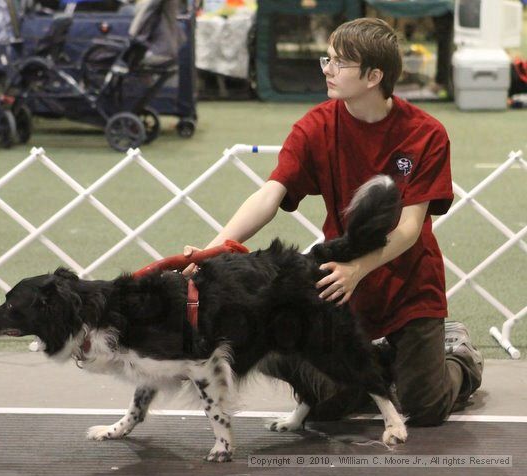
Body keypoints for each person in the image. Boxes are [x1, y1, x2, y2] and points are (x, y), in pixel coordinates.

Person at [185, 17, 483, 426]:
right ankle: (376, 366)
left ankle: (458, 356)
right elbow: (270, 194)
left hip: (407, 280)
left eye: (340, 63)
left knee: (425, 407)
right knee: (327, 405)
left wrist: (357, 269)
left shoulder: (426, 134)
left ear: (374, 75)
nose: (327, 69)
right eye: (328, 59)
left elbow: (410, 228)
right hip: (335, 278)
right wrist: (215, 247)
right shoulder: (315, 127)